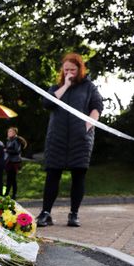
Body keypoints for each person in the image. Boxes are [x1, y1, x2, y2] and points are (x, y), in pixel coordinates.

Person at [36, 52, 103, 227]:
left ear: (80, 69)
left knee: (78, 176)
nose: (69, 73)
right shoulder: (55, 87)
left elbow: (97, 107)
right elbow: (47, 103)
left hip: (80, 138)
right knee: (52, 175)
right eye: (66, 70)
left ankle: (74, 214)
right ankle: (45, 213)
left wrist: (89, 124)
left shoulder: (89, 87)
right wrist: (65, 85)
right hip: (56, 138)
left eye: (73, 70)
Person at [4, 126, 27, 200]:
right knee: (9, 178)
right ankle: (8, 193)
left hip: (15, 162)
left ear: (14, 133)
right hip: (9, 162)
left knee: (12, 179)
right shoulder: (9, 140)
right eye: (8, 131)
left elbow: (16, 151)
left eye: (10, 131)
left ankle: (13, 194)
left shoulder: (16, 140)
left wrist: (6, 150)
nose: (9, 133)